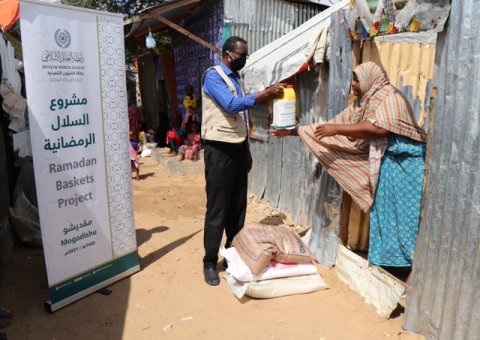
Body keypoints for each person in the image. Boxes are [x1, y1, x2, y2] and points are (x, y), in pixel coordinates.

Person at [270, 62, 427, 283]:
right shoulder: (363, 103)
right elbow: (331, 126)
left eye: (357, 80)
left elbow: (378, 128)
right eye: (352, 80)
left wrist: (336, 130)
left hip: (406, 167)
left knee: (405, 218)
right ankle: (388, 266)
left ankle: (412, 272)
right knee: (384, 217)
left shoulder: (391, 98)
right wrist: (292, 131)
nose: (353, 85)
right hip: (387, 164)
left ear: (369, 79)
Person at [201, 36, 285, 286]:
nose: (244, 60)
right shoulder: (213, 76)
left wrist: (246, 149)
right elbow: (230, 105)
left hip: (237, 149)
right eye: (241, 56)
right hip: (218, 149)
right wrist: (262, 95)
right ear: (228, 54)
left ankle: (232, 253)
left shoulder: (237, 79)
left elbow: (242, 119)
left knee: (238, 206)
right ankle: (209, 262)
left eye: (245, 55)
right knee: (218, 207)